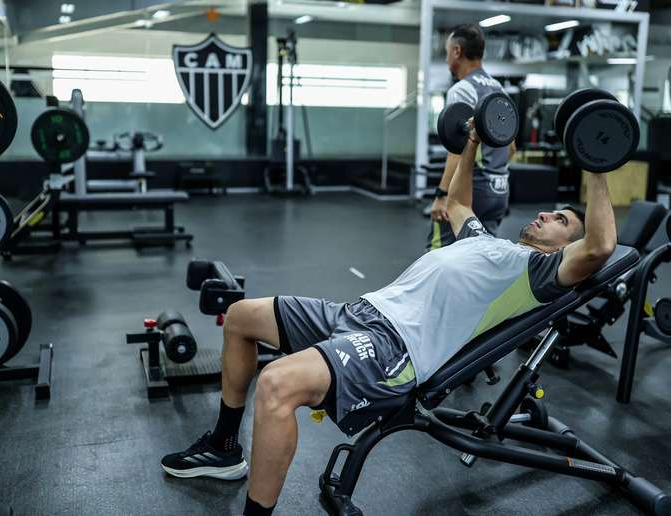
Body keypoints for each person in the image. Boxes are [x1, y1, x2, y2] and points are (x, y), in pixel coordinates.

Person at [160, 119, 617, 516]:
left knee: (278, 385)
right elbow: (459, 205)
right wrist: (471, 143)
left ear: (565, 246)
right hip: (359, 312)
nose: (544, 214)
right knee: (241, 316)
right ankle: (223, 448)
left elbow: (600, 247)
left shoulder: (538, 273)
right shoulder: (491, 244)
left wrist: (594, 163)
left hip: (394, 349)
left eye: (560, 219)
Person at [428, 23, 516, 250]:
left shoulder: (462, 90)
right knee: (480, 259)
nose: (447, 59)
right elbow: (511, 148)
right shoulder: (499, 89)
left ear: (457, 51)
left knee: (439, 256)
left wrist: (442, 195)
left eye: (447, 53)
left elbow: (457, 152)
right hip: (499, 192)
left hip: (470, 190)